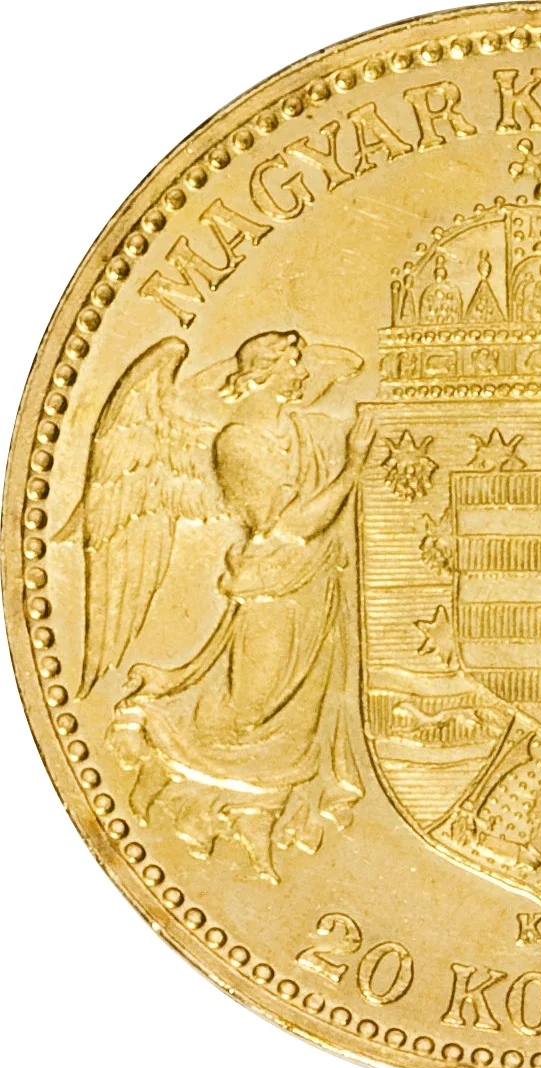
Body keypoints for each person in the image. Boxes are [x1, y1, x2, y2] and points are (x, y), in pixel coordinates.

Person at [108, 331, 374, 882]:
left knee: (297, 726)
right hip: (273, 590)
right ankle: (164, 765)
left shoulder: (303, 430)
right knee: (247, 714)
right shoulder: (238, 445)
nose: (304, 373)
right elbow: (290, 526)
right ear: (263, 373)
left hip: (317, 592)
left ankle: (260, 844)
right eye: (294, 364)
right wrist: (353, 467)